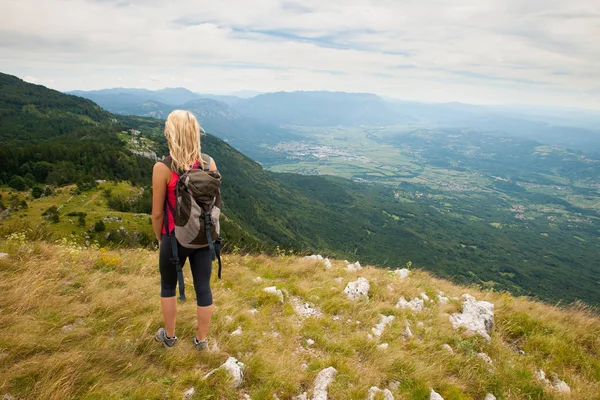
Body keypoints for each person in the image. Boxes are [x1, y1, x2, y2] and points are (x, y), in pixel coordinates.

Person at [151, 110, 217, 350]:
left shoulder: (163, 167)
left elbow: (157, 212)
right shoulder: (209, 163)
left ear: (171, 134)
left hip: (173, 237)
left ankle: (169, 337)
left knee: (168, 286)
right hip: (202, 237)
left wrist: (161, 239)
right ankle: (201, 340)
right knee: (203, 288)